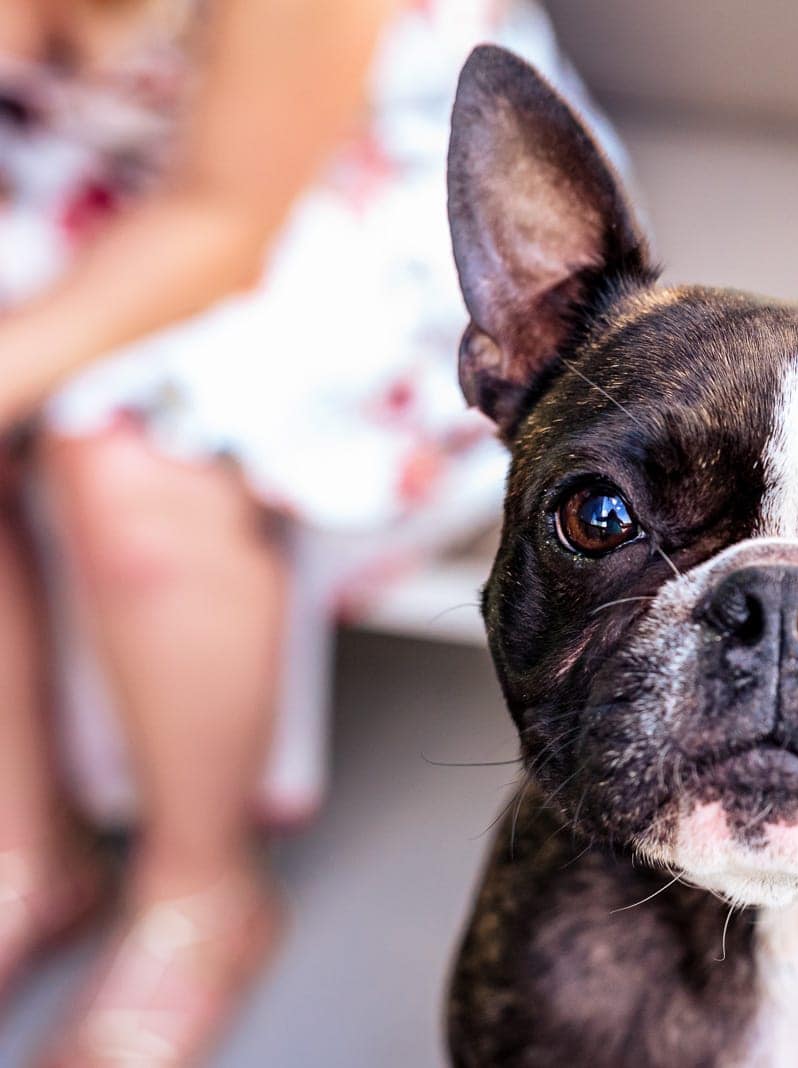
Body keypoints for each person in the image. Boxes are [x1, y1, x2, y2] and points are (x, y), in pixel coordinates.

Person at [0, 1, 616, 1062]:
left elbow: (222, 220)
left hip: (338, 197)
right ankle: (22, 847)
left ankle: (197, 893)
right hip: (69, 166)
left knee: (130, 470)